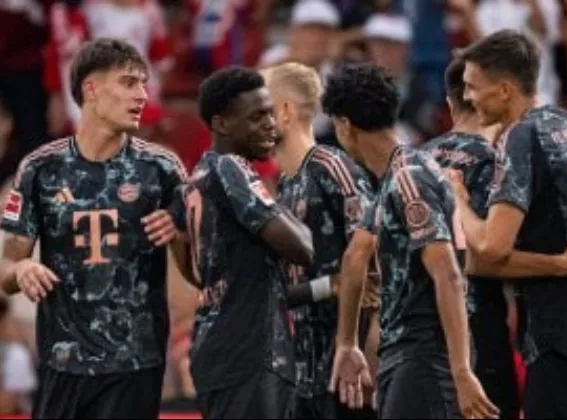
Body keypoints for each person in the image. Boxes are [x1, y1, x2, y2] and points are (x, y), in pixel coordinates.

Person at [0, 38, 189, 419]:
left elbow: (195, 273)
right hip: (62, 360)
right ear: (91, 89)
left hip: (135, 362)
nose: (142, 95)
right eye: (128, 82)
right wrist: (23, 269)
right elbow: (5, 272)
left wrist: (180, 234)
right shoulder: (39, 168)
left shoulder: (163, 169)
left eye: (143, 84)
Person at [456, 29, 567, 419]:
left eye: (473, 87)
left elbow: (491, 249)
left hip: (560, 337)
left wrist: (459, 201)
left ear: (504, 90)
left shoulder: (522, 136)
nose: (467, 97)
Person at [425, 56, 567, 419]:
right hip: (476, 343)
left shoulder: (414, 161)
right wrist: (561, 265)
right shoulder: (499, 162)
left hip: (414, 347)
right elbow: (482, 258)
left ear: (450, 103)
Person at [325, 62, 499, 420]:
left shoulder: (409, 178)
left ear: (344, 125)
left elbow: (447, 273)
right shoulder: (396, 176)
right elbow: (355, 256)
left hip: (427, 357)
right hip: (407, 356)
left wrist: (461, 371)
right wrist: (347, 344)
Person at [185, 66, 314, 419]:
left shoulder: (201, 174)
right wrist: (277, 206)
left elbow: (219, 278)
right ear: (222, 124)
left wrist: (329, 287)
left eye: (270, 114)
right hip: (248, 354)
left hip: (224, 349)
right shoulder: (232, 168)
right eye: (256, 117)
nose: (270, 125)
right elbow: (302, 247)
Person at [261, 62, 379, 419]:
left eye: (261, 107)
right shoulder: (286, 183)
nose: (252, 118)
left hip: (345, 370)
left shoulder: (331, 168)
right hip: (303, 369)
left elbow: (374, 260)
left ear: (285, 112)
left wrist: (368, 346)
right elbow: (300, 287)